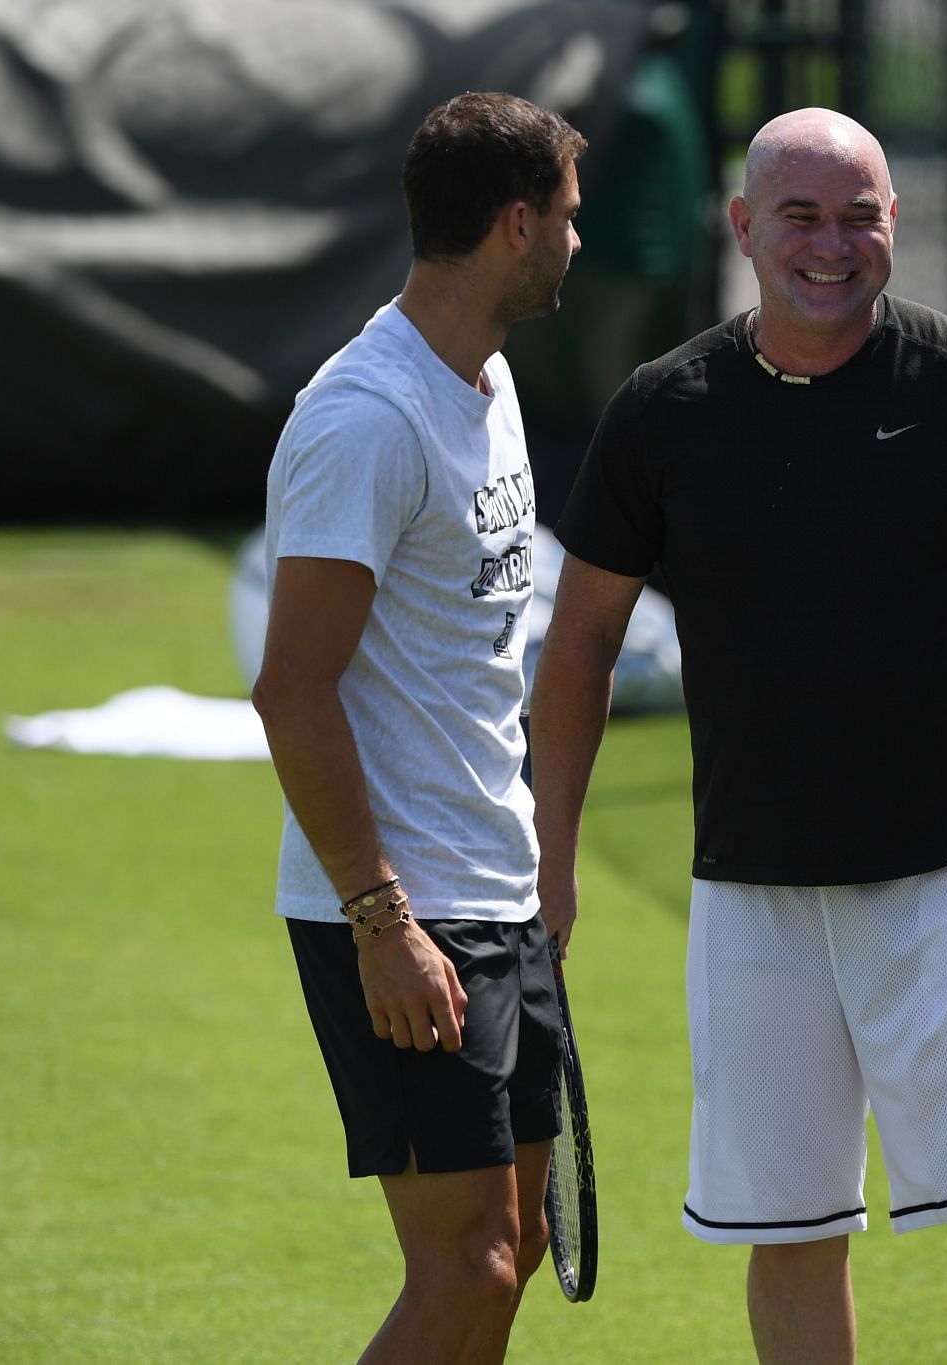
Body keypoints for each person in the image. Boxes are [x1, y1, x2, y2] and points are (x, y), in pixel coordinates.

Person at [529, 107, 947, 1364]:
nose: (831, 245)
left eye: (858, 215)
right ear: (743, 227)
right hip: (750, 909)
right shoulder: (664, 408)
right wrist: (552, 858)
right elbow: (582, 637)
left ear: (892, 225)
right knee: (790, 1238)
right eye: (800, 217)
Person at [251, 91, 585, 1364]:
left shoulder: (487, 381)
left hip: (497, 894)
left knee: (516, 1251)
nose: (575, 241)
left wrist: (538, 869)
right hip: (402, 911)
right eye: (564, 216)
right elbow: (293, 687)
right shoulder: (366, 418)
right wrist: (380, 920)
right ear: (514, 225)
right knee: (468, 1264)